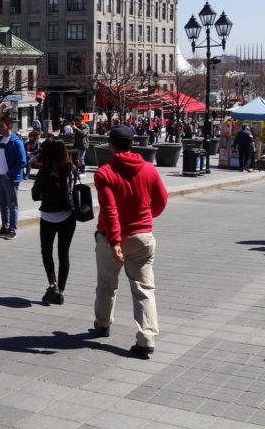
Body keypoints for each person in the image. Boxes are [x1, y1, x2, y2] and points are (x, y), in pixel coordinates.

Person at [92, 125, 168, 359]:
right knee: (144, 288)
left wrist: (115, 241)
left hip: (110, 238)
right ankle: (146, 338)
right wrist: (145, 217)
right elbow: (161, 201)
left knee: (107, 284)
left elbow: (110, 210)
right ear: (132, 143)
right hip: (142, 236)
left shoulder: (105, 172)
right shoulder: (149, 169)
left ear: (111, 145)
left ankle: (103, 324)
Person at [31, 138, 79, 306]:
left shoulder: (45, 170)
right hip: (68, 215)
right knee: (63, 253)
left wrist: (45, 194)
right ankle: (61, 291)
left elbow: (34, 194)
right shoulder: (71, 169)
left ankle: (52, 284)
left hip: (48, 216)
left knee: (47, 251)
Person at [0, 115, 27, 239]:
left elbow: (22, 161)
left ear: (9, 126)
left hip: (10, 178)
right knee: (2, 205)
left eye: (1, 126)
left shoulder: (16, 142)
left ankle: (12, 230)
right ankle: (5, 227)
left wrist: (10, 174)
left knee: (12, 205)